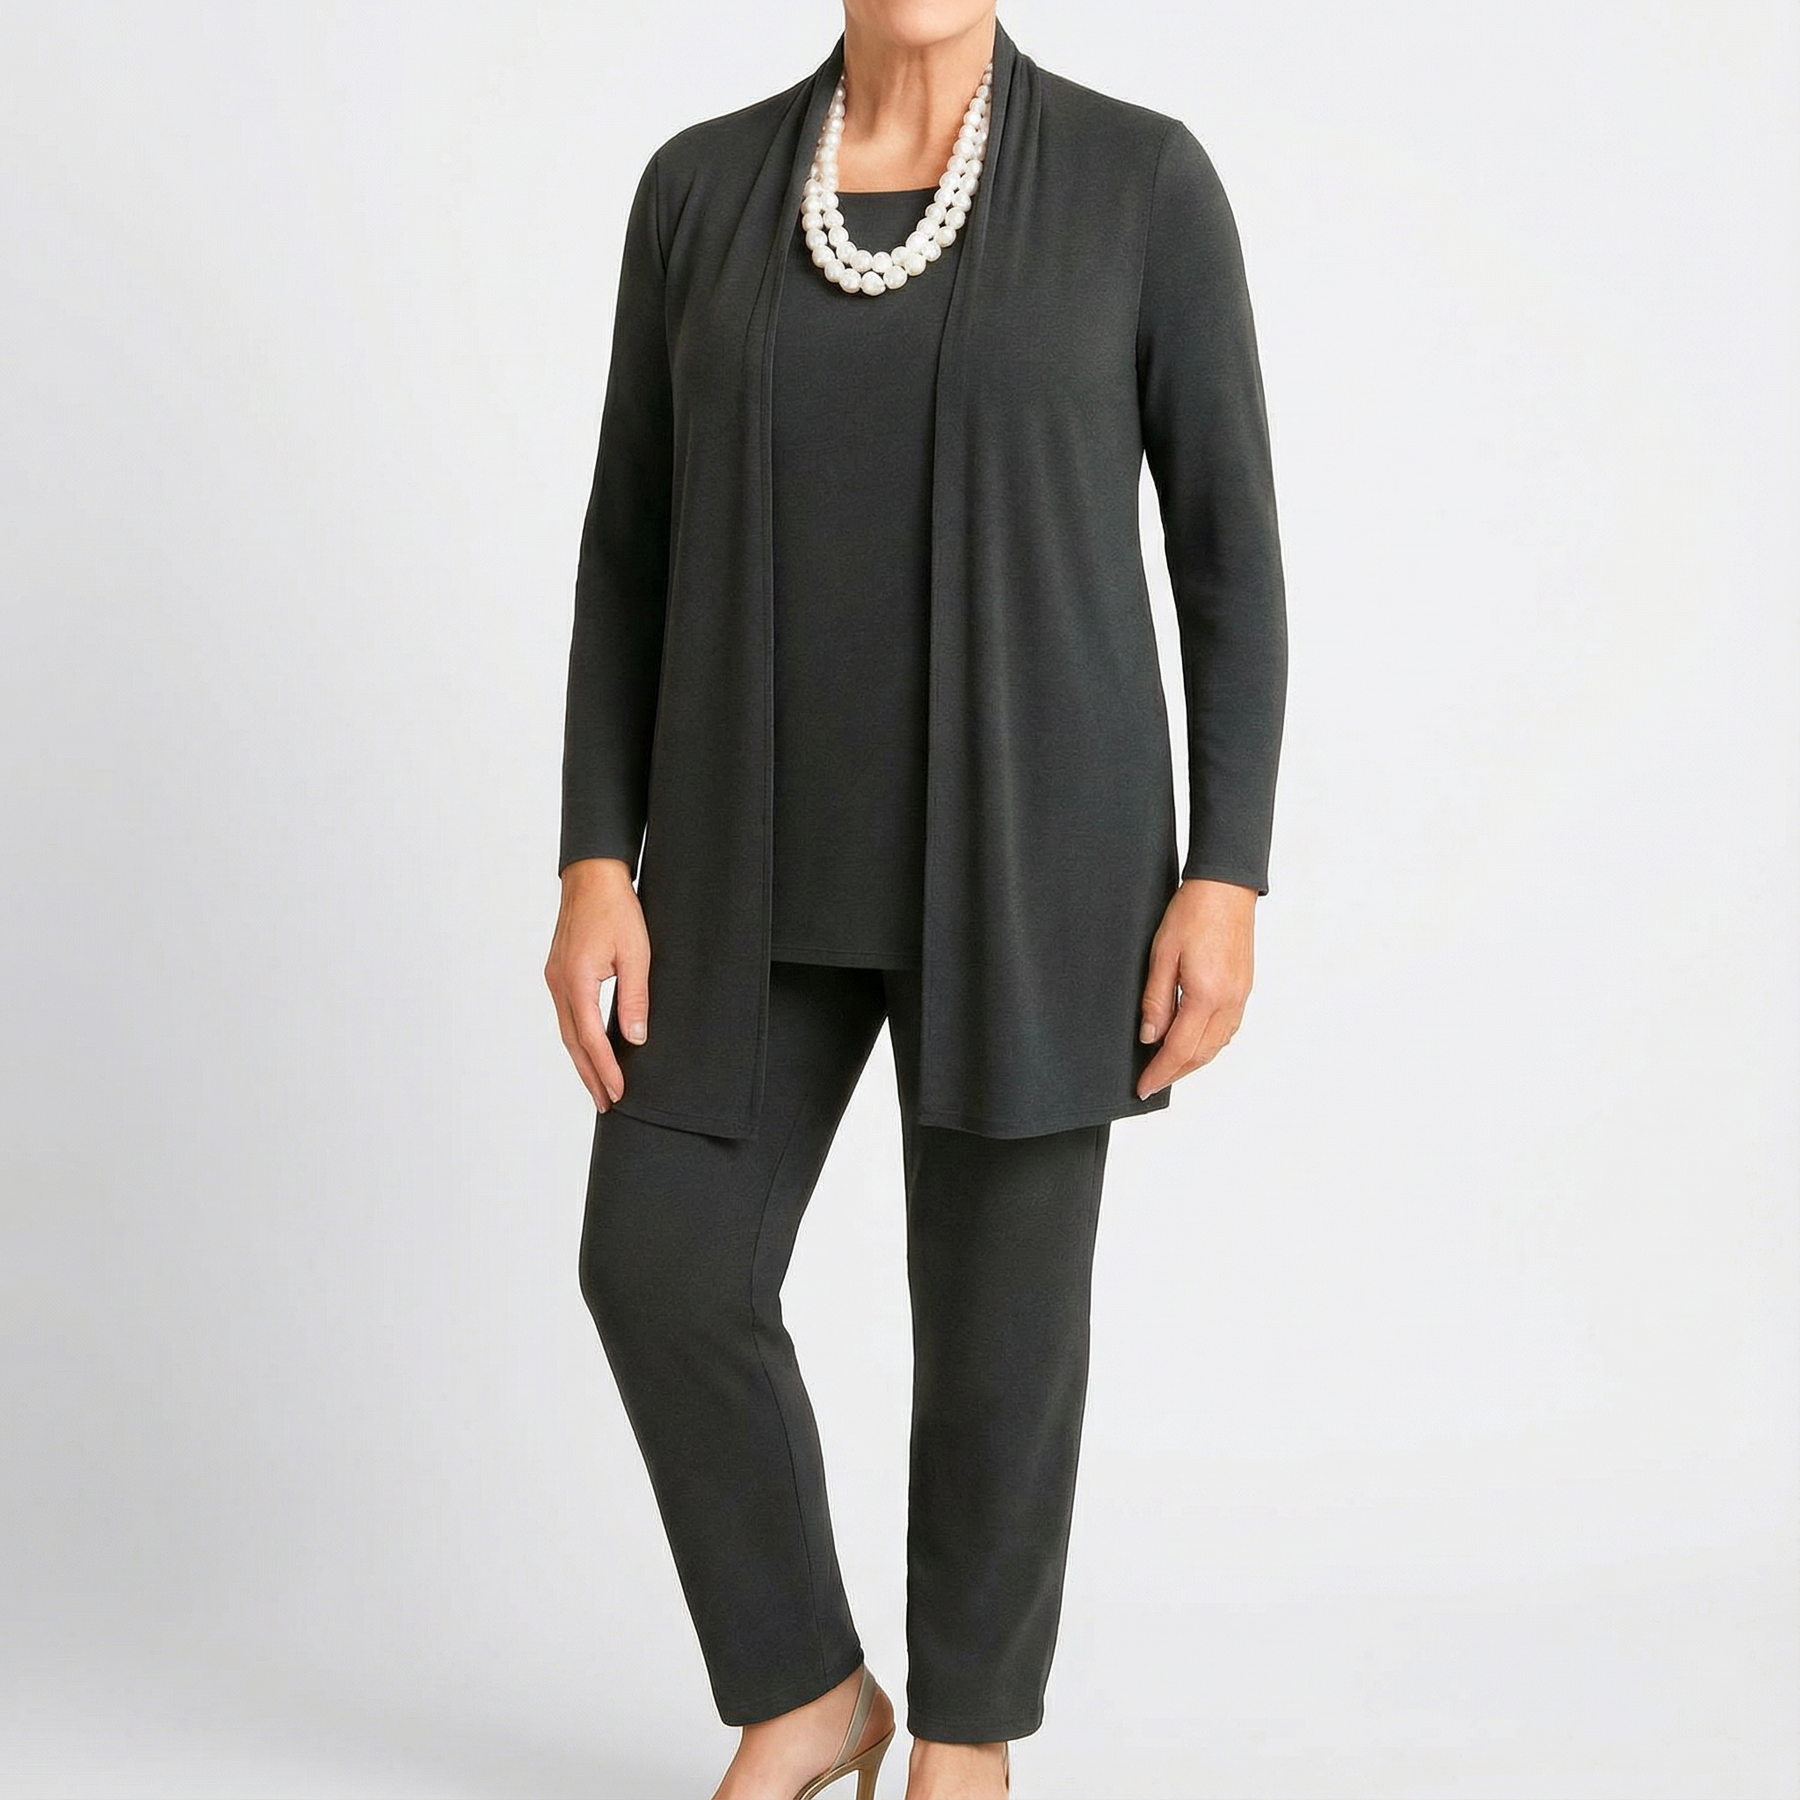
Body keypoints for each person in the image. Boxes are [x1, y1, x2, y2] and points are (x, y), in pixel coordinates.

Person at [543, 5, 1287, 1796]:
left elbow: (1230, 551)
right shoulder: (700, 191)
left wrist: (1227, 873)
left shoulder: (1138, 183)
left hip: (1038, 865)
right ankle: (807, 1691)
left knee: (997, 1341)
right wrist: (591, 856)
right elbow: (626, 545)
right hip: (739, 866)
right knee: (657, 1261)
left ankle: (966, 1742)